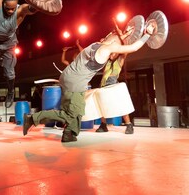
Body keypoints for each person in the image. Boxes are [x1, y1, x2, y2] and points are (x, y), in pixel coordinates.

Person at [23, 22, 156, 142]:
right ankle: (32, 119)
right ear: (114, 43)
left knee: (79, 109)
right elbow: (133, 48)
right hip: (75, 82)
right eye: (118, 45)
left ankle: (69, 134)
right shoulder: (106, 49)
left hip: (67, 77)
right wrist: (147, 34)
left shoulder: (97, 44)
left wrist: (126, 33)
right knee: (70, 114)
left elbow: (114, 37)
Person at [95, 52, 134, 134]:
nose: (111, 55)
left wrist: (121, 42)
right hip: (103, 85)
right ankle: (103, 125)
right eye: (110, 54)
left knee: (121, 105)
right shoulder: (107, 62)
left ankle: (129, 125)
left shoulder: (120, 60)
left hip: (113, 86)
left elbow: (125, 52)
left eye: (113, 54)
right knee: (102, 106)